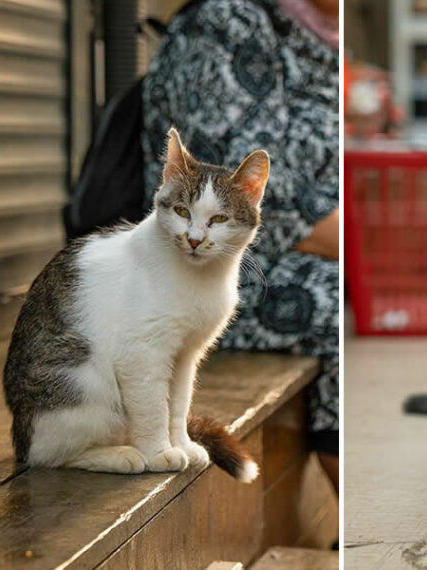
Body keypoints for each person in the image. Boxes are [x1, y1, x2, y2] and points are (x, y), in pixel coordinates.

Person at [141, 0, 340, 519]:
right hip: (206, 262)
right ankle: (356, 520)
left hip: (288, 251)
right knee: (339, 302)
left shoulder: (325, 37)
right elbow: (227, 197)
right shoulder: (227, 23)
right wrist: (348, 241)